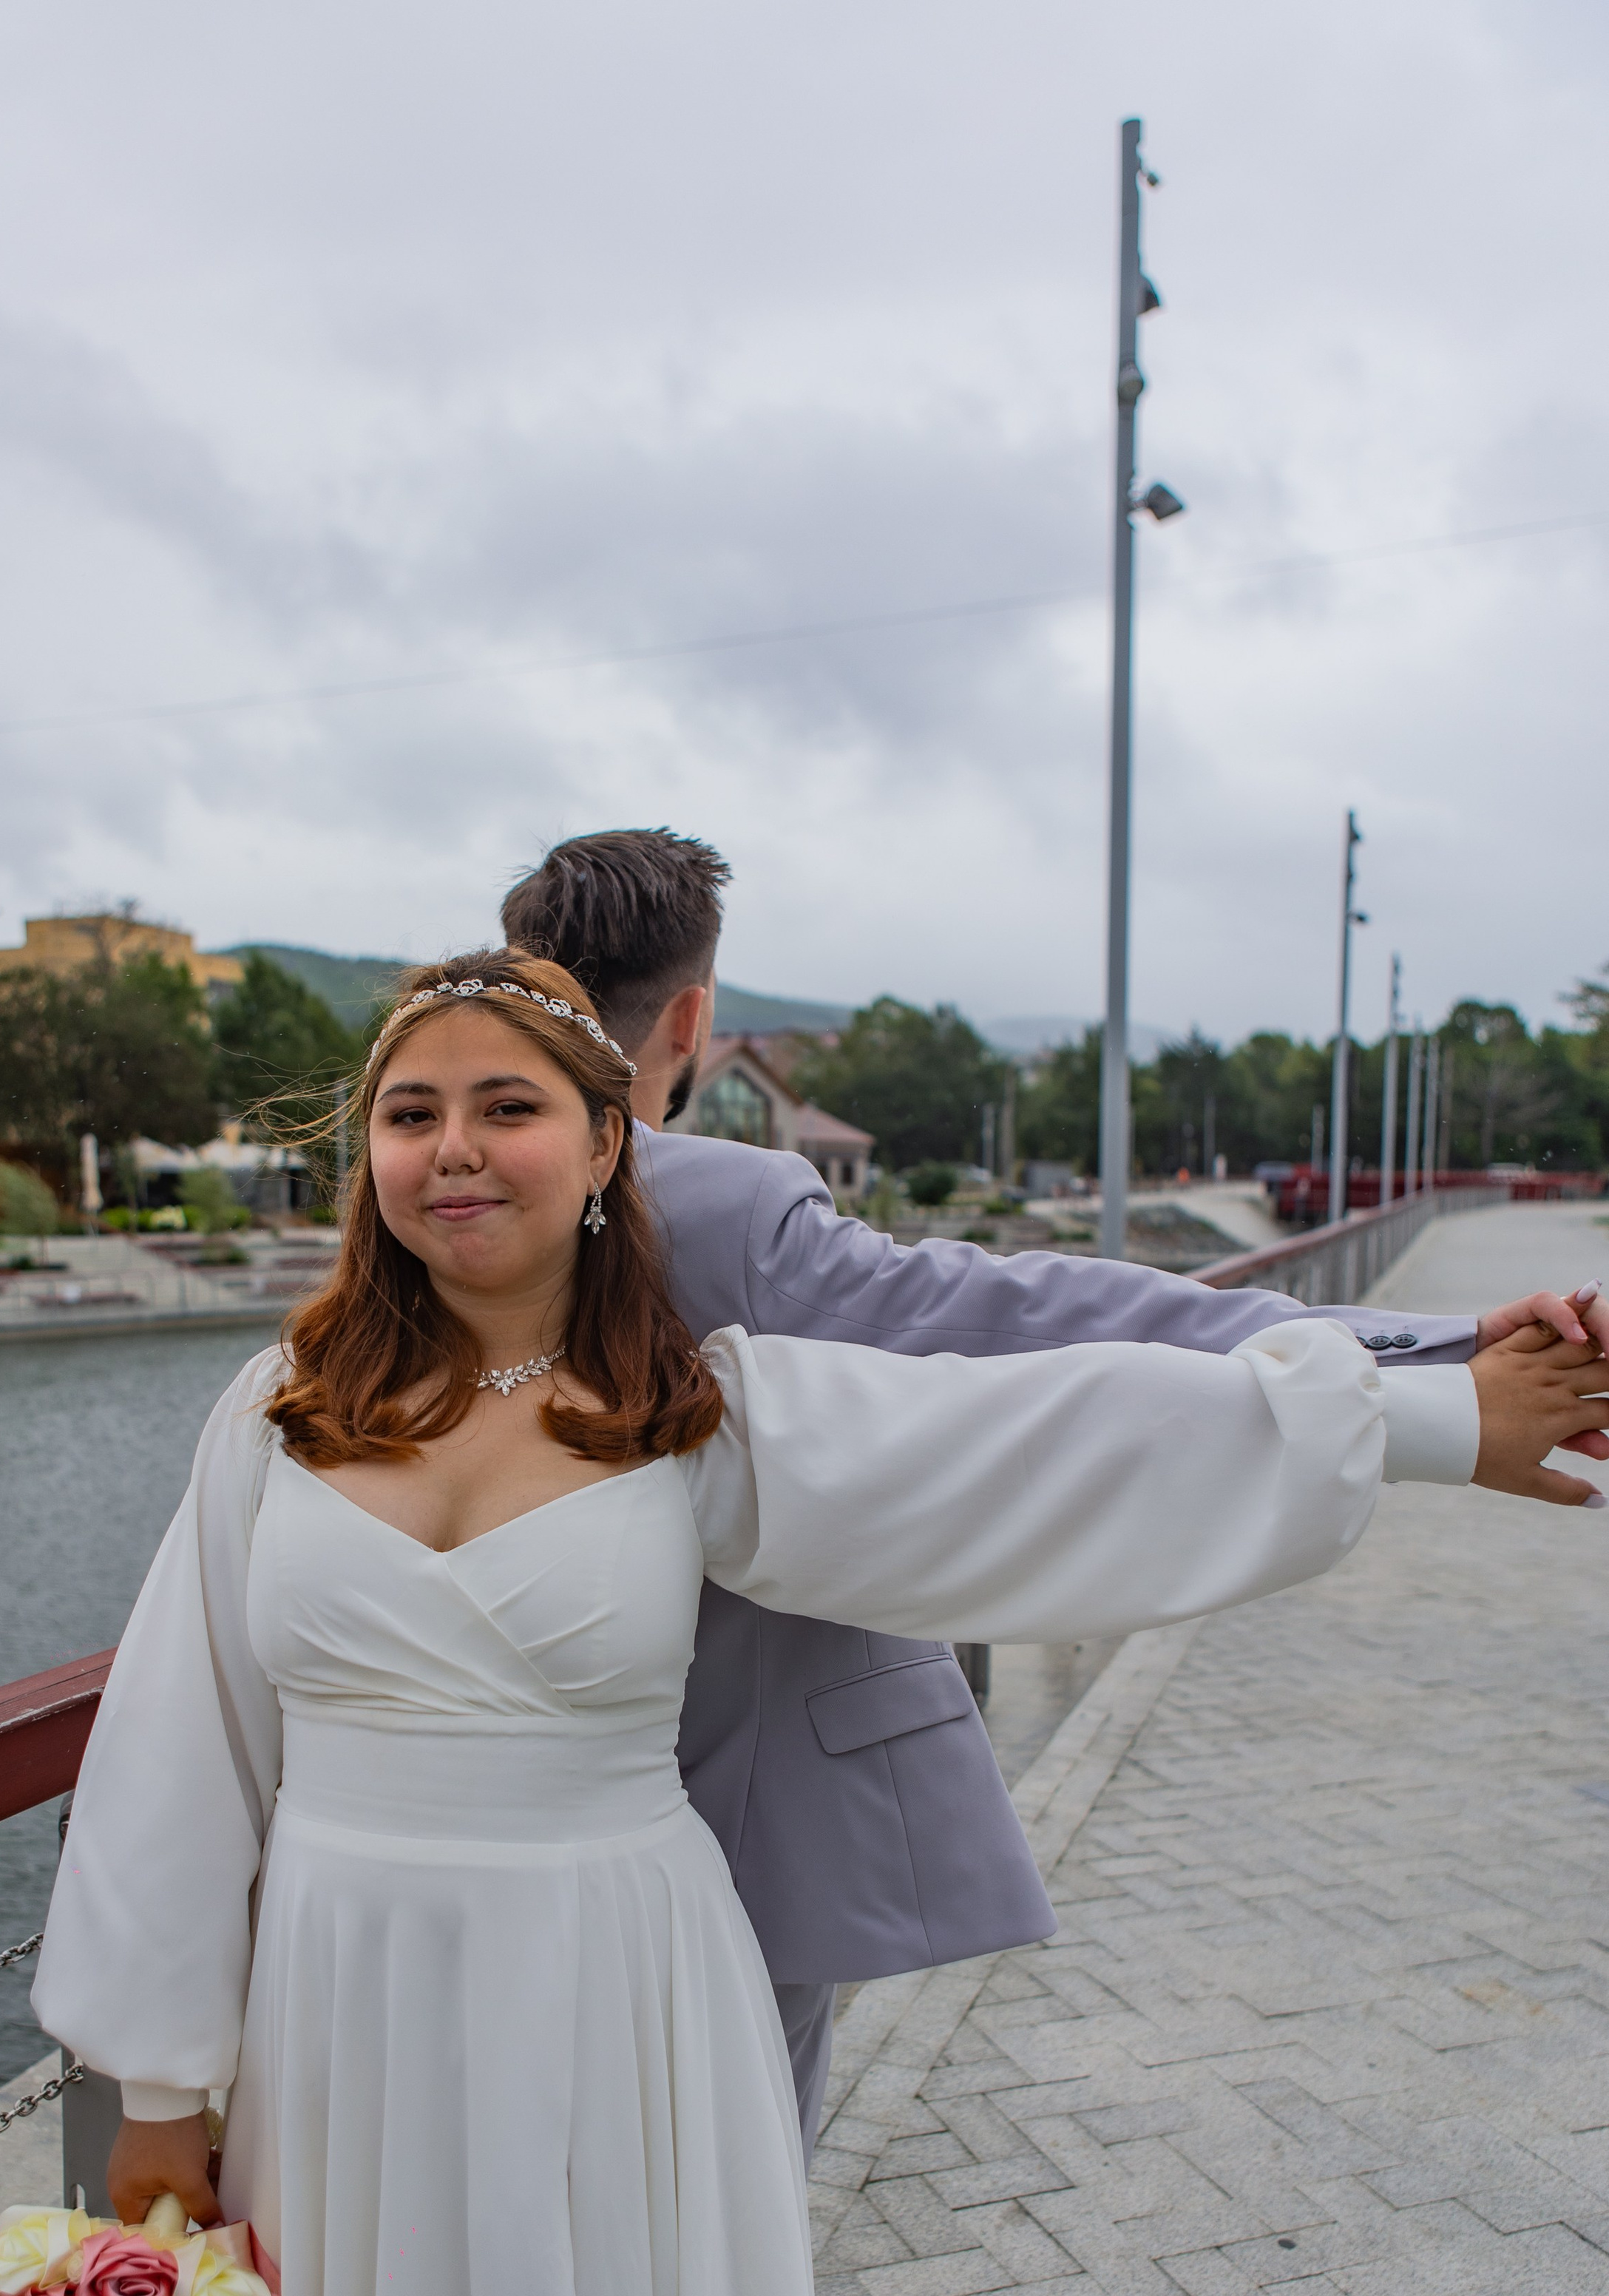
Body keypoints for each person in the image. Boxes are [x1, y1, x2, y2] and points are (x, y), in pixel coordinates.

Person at [34, 950, 1600, 2296]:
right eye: (410, 1112)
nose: (456, 1151)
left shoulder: (704, 1410)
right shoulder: (272, 1410)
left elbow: (1055, 1435)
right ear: (362, 1153)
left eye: (507, 1108)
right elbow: (178, 1751)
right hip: (332, 2037)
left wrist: (1429, 1414)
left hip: (615, 2011)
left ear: (609, 1145)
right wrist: (158, 2102)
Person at [499, 831, 1609, 2152]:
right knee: (720, 2212)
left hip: (456, 1817)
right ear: (694, 1018)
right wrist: (1420, 1356)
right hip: (725, 1816)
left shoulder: (409, 1215)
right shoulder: (715, 1202)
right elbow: (1023, 1323)